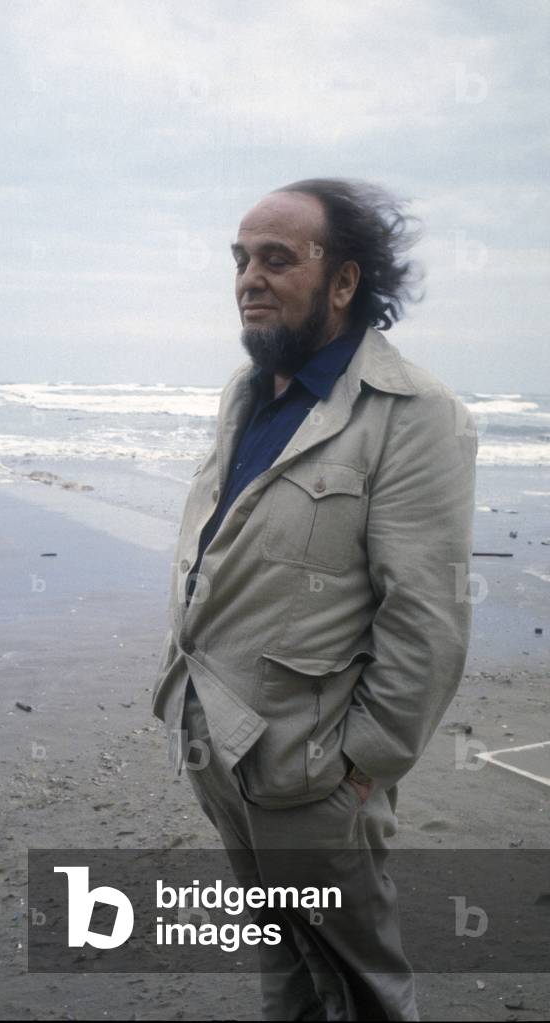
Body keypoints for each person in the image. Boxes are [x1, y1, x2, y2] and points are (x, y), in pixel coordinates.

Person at [151, 178, 477, 1020]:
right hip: (215, 741)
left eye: (277, 258)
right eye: (241, 259)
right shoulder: (248, 391)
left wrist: (361, 766)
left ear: (344, 282)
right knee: (283, 955)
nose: (248, 278)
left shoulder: (413, 413)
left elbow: (426, 620)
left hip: (312, 770)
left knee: (360, 976)